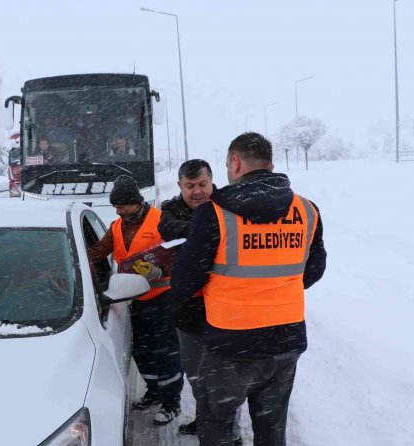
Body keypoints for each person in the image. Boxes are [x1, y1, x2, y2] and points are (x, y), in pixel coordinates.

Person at [171, 132, 327, 445]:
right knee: (271, 428)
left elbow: (185, 280)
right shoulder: (307, 210)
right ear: (269, 163)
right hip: (286, 340)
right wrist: (273, 289)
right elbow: (313, 270)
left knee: (216, 425)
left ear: (236, 162)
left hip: (231, 343)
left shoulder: (215, 214)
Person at [157, 159, 242, 444]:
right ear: (179, 186)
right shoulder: (170, 210)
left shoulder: (228, 205)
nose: (197, 192)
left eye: (202, 185)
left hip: (224, 308)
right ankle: (207, 419)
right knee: (196, 377)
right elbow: (167, 227)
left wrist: (196, 232)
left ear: (212, 182)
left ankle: (232, 432)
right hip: (187, 310)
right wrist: (205, 230)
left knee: (227, 380)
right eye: (190, 186)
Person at [88, 175, 184, 425]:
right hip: (132, 298)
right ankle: (153, 391)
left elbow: (179, 255)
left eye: (122, 206)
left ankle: (171, 402)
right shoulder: (117, 226)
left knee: (166, 352)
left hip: (162, 297)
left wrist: (160, 271)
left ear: (135, 202)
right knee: (142, 351)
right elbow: (98, 251)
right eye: (116, 207)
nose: (118, 211)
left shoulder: (161, 220)